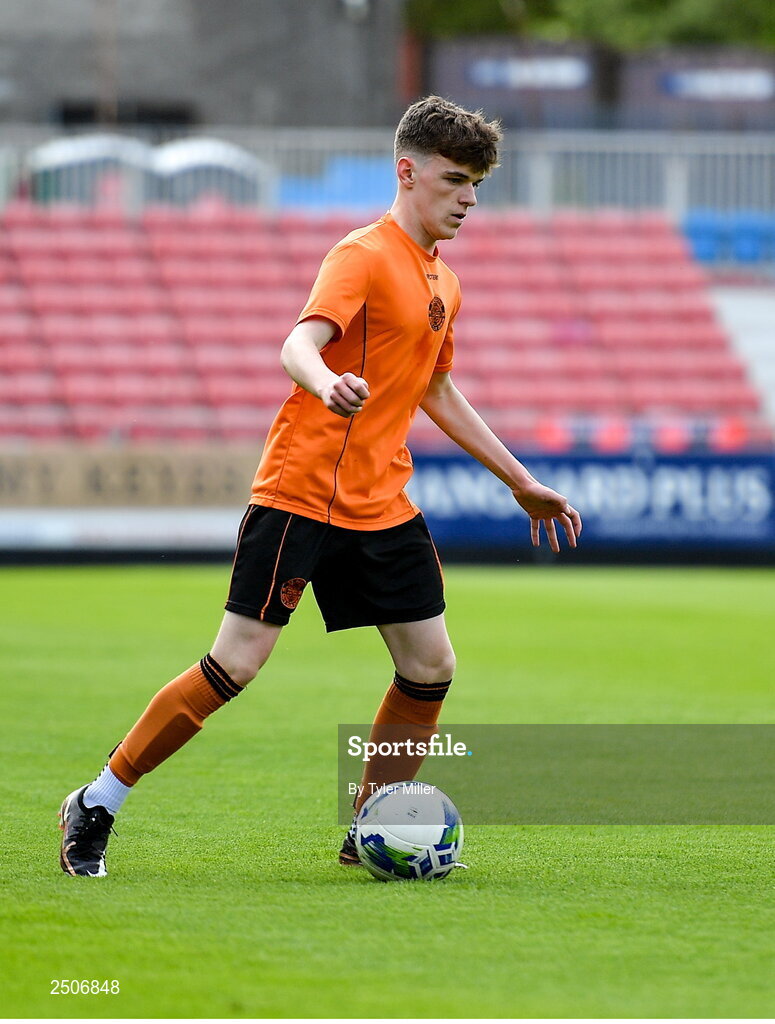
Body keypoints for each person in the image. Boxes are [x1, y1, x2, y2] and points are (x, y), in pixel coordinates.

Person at [59, 95, 582, 877]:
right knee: (235, 665)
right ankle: (96, 802)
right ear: (407, 172)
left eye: (476, 183)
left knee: (430, 666)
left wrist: (520, 480)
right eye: (454, 179)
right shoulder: (362, 254)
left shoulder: (444, 281)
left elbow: (436, 390)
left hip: (383, 503)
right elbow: (298, 344)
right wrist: (325, 377)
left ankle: (368, 828)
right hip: (301, 492)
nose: (469, 197)